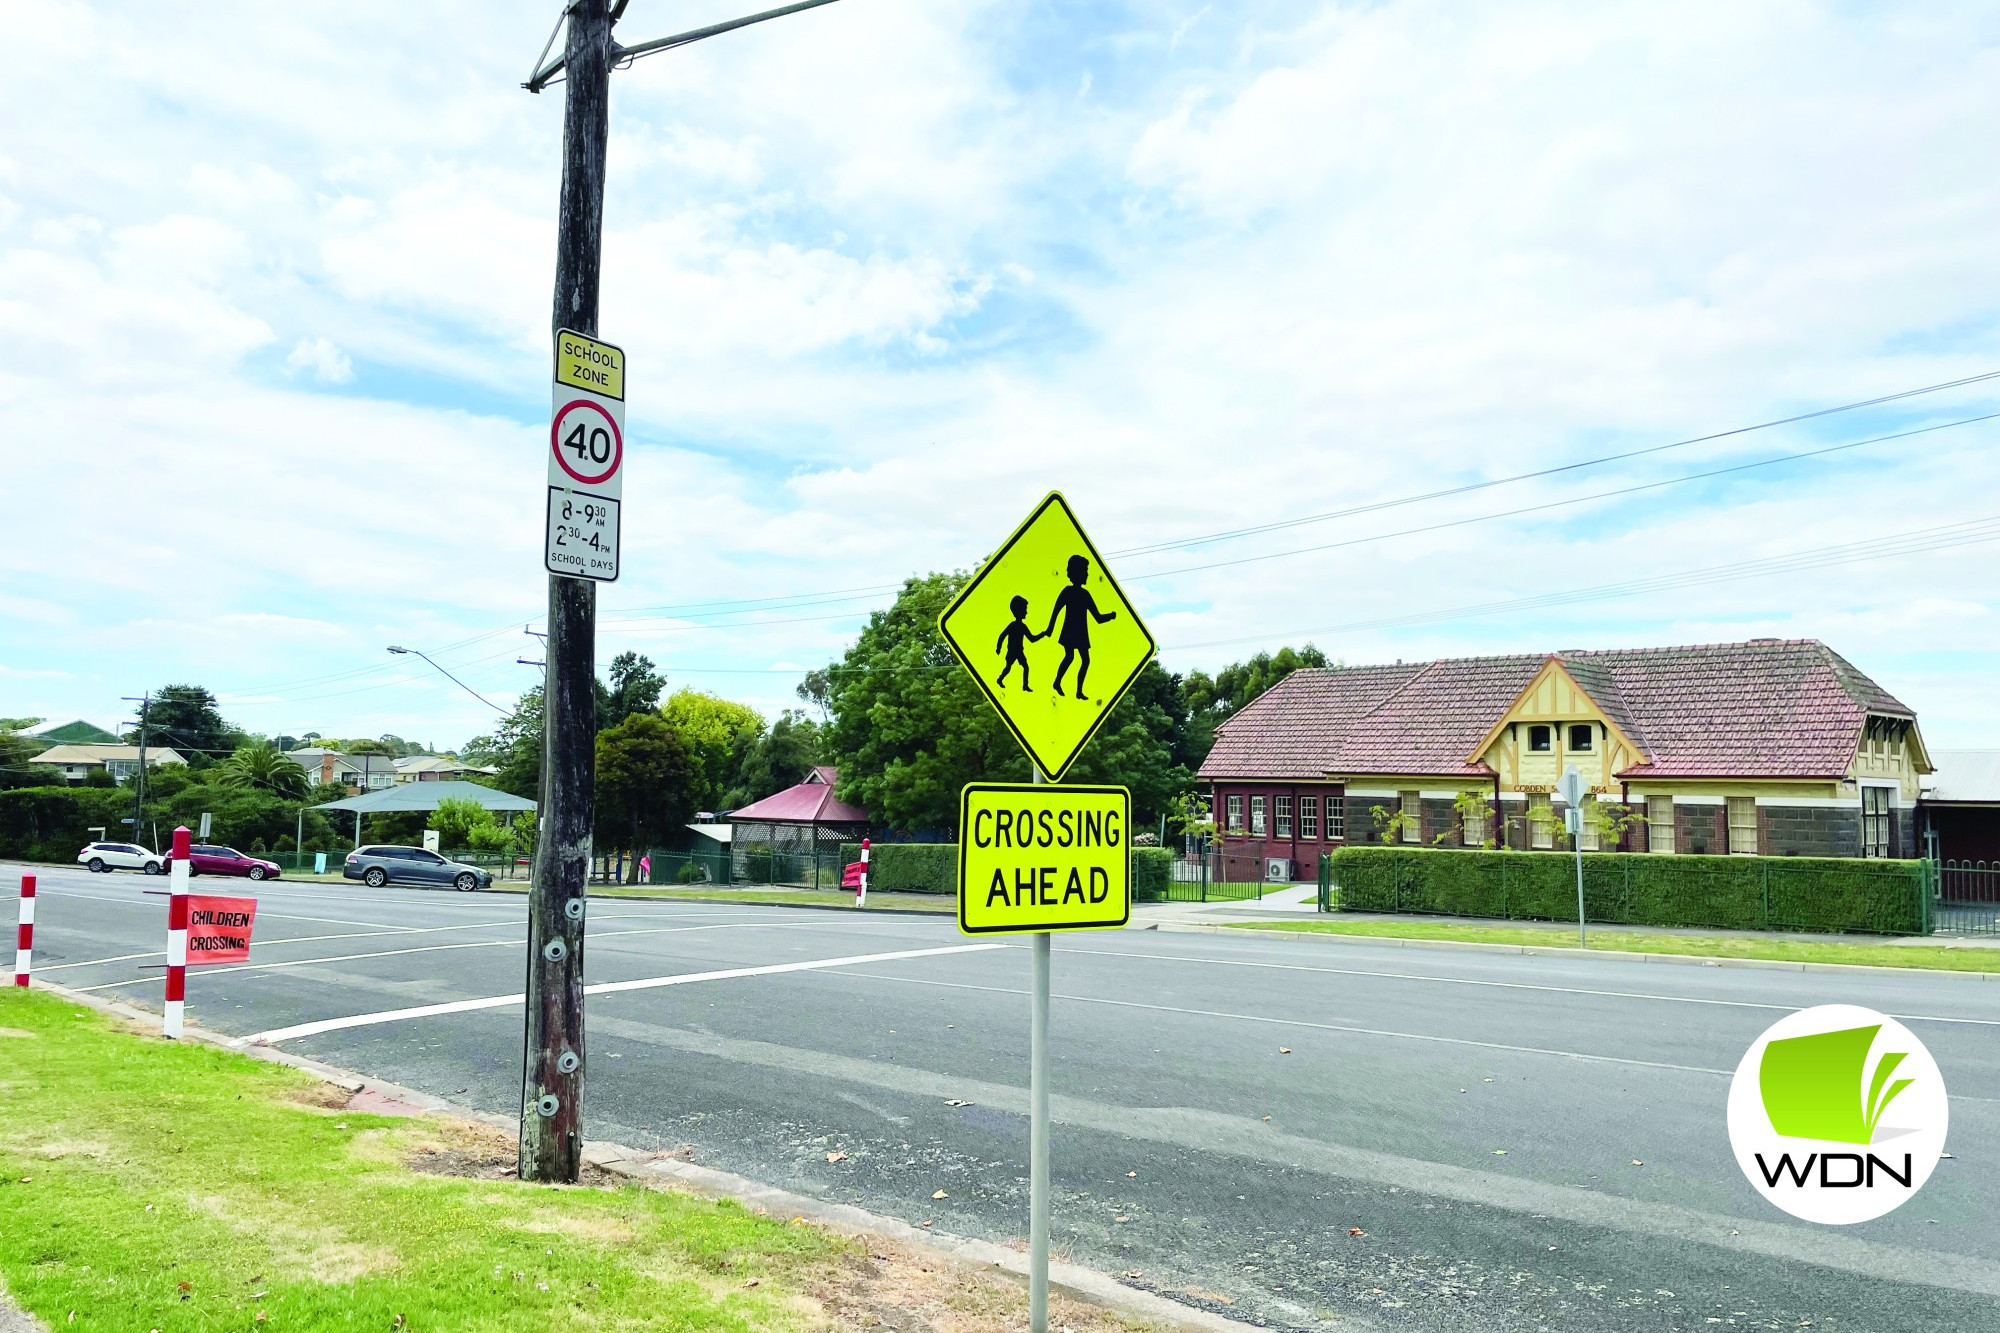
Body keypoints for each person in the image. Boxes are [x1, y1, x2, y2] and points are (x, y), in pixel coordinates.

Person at [1042, 554, 1117, 699]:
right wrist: (1050, 629)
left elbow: (1098, 617)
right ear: (1076, 573)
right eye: (1085, 571)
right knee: (1070, 656)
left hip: (1081, 633)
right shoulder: (1067, 591)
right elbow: (1056, 610)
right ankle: (1058, 682)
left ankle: (1078, 691)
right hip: (1070, 631)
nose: (1087, 574)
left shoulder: (1085, 594)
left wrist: (1111, 616)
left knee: (1084, 660)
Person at [995, 594, 1043, 691]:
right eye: (1025, 609)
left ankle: (1025, 686)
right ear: (1019, 611)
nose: (1026, 612)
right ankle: (1000, 679)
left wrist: (1043, 634)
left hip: (1019, 651)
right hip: (1012, 651)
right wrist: (998, 648)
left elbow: (1032, 639)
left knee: (1025, 667)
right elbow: (1002, 635)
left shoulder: (1023, 626)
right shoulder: (1013, 625)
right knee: (1008, 668)